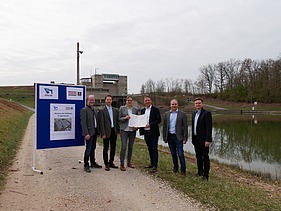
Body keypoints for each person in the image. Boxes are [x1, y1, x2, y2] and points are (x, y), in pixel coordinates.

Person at [163, 99, 188, 176]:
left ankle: (183, 170)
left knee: (180, 154)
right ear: (170, 105)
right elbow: (165, 127)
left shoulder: (182, 114)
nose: (174, 105)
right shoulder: (166, 114)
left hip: (179, 137)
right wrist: (165, 137)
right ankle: (175, 167)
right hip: (170, 137)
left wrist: (185, 138)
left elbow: (185, 127)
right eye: (173, 104)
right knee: (173, 153)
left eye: (175, 104)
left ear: (178, 105)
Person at [191, 97, 212, 181]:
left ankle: (206, 175)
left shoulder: (206, 113)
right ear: (194, 105)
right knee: (198, 156)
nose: (197, 104)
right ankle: (200, 172)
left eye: (199, 103)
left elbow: (209, 128)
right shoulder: (194, 114)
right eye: (196, 103)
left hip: (204, 140)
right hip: (196, 139)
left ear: (202, 104)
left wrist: (208, 140)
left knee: (205, 157)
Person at [80, 95, 102, 173]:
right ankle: (86, 164)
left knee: (93, 148)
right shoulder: (84, 110)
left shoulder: (95, 110)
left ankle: (93, 162)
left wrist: (99, 132)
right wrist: (86, 133)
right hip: (89, 133)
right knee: (88, 149)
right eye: (90, 100)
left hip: (95, 132)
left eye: (93, 100)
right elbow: (83, 123)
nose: (92, 101)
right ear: (87, 101)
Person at [140, 95, 161, 173]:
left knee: (154, 149)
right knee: (149, 149)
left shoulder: (155, 110)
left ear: (151, 101)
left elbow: (159, 120)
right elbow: (140, 121)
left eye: (148, 100)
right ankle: (152, 163)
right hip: (146, 132)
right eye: (146, 100)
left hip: (153, 132)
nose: (147, 102)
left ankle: (155, 165)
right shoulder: (142, 111)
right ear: (144, 102)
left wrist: (150, 124)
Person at [99, 95, 119, 171]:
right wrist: (103, 133)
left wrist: (118, 131)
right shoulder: (102, 110)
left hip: (113, 131)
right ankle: (106, 164)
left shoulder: (115, 110)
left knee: (113, 148)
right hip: (106, 132)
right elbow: (101, 123)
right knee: (106, 148)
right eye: (108, 99)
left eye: (110, 100)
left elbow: (117, 121)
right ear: (105, 101)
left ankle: (111, 162)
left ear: (112, 101)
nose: (109, 101)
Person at [118, 96, 139, 171]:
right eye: (128, 100)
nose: (130, 102)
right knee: (124, 146)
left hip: (132, 131)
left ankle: (129, 162)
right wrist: (125, 118)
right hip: (124, 130)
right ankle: (122, 164)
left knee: (130, 146)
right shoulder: (122, 108)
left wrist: (136, 127)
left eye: (131, 100)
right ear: (126, 101)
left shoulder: (135, 109)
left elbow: (137, 120)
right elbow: (118, 119)